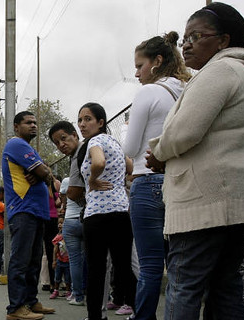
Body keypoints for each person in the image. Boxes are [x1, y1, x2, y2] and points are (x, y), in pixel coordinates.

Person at [146, 3, 244, 318]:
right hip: (229, 204)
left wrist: (158, 153)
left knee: (185, 284)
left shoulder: (220, 70)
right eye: (184, 38)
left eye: (196, 36)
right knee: (225, 285)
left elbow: (183, 132)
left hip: (204, 204)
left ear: (223, 41)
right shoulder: (238, 73)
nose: (186, 44)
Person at [123, 31, 191, 320]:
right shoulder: (186, 90)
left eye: (140, 66)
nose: (136, 73)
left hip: (146, 180)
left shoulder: (149, 92)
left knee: (150, 265)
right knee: (180, 263)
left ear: (157, 61)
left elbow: (130, 147)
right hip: (179, 181)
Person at [77, 102, 136, 320]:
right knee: (123, 268)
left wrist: (92, 180)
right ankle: (141, 312)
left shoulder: (95, 141)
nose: (82, 124)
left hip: (97, 216)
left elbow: (99, 162)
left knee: (96, 270)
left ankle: (95, 317)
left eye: (88, 119)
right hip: (121, 212)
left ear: (101, 122)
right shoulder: (116, 144)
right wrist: (118, 183)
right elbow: (131, 168)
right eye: (80, 120)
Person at [2, 111, 56, 320]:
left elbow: (47, 173)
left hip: (36, 212)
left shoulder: (28, 149)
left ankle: (31, 302)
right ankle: (15, 308)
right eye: (28, 123)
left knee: (33, 261)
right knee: (21, 260)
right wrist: (42, 174)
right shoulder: (16, 144)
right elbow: (45, 173)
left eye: (35, 122)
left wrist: (43, 174)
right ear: (16, 127)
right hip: (23, 210)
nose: (33, 126)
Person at [48, 121, 86, 306]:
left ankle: (78, 295)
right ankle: (89, 294)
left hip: (72, 220)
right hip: (83, 217)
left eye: (63, 139)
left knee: (76, 261)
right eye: (57, 142)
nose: (61, 145)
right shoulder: (76, 157)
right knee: (87, 259)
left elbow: (68, 196)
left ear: (75, 135)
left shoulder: (81, 154)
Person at [50, 219, 71, 300]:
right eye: (58, 223)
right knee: (57, 277)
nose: (59, 225)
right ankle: (56, 290)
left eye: (62, 223)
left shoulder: (69, 237)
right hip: (60, 260)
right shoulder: (58, 237)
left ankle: (68, 291)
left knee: (68, 278)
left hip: (68, 261)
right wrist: (54, 261)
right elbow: (55, 250)